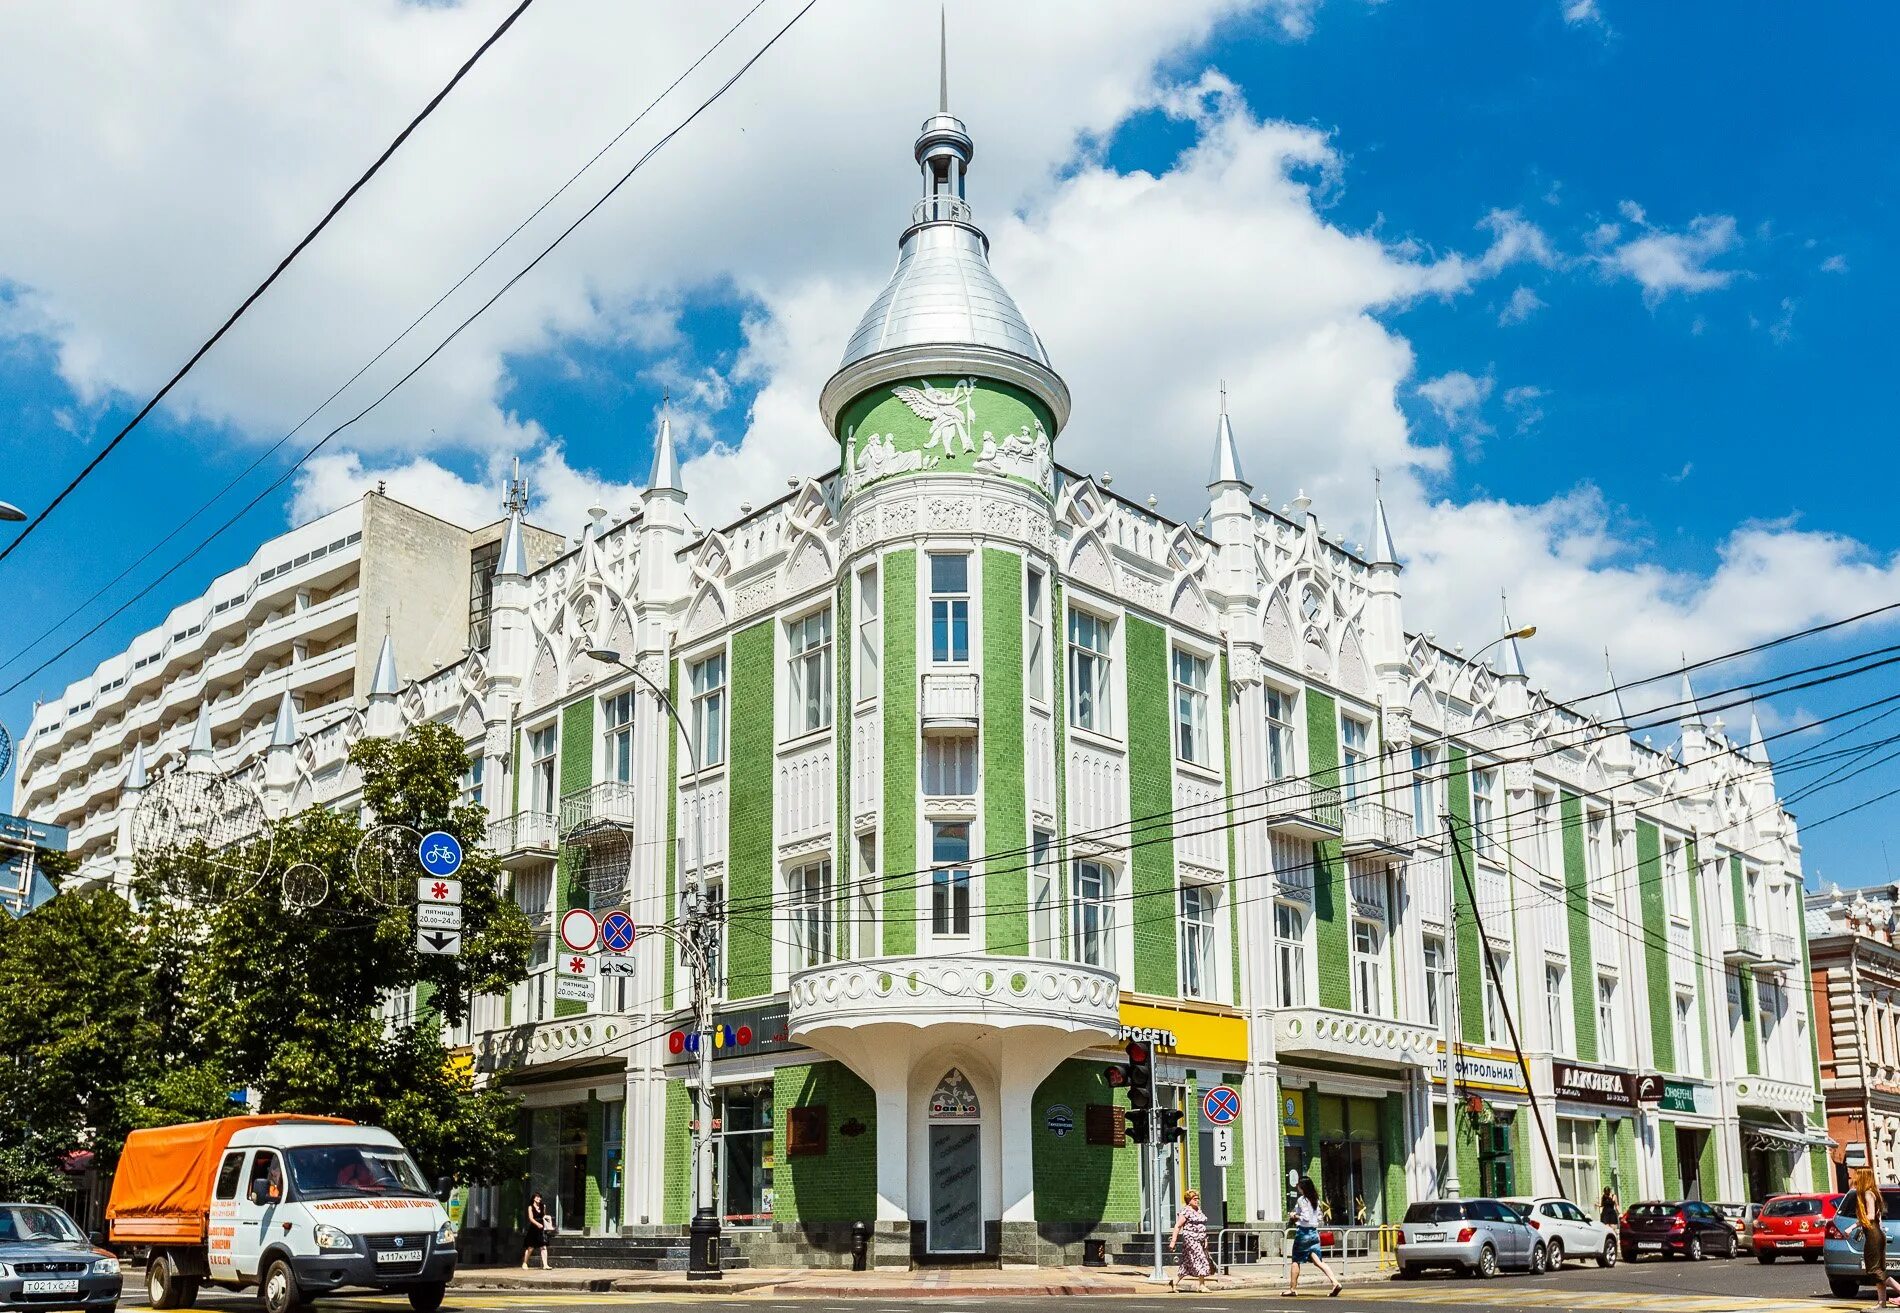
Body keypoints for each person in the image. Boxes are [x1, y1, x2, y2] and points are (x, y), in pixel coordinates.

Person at [1283, 1177, 1342, 1298]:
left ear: (1302, 1187)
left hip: (1303, 1234)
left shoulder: (1302, 1199)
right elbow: (1319, 1217)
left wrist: (1296, 1216)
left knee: (1295, 1261)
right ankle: (1335, 1282)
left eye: (1299, 1185)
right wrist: (1296, 1213)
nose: (1297, 1187)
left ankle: (1292, 1289)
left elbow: (1306, 1217)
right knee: (1318, 1262)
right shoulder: (1315, 1199)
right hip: (1314, 1233)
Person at [1854, 1168, 1900, 1307]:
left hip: (1873, 1235)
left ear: (1863, 1178)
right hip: (1877, 1234)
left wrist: (1852, 1226)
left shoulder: (1868, 1194)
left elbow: (1871, 1216)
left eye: (1858, 1176)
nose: (1855, 1179)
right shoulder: (1875, 1193)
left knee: (1874, 1269)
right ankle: (1882, 1303)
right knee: (1879, 1269)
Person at [1168, 1188, 1214, 1293]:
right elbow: (1178, 1226)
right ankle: (1201, 1285)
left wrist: (1205, 1240)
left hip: (1200, 1239)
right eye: (1194, 1199)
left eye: (1197, 1199)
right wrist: (1173, 1241)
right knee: (1201, 1259)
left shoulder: (1198, 1210)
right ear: (1189, 1200)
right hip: (1191, 1239)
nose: (1197, 1200)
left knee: (1187, 1263)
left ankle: (1174, 1282)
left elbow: (1202, 1226)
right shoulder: (1186, 1211)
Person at [522, 1191, 552, 1270]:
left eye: (540, 1197)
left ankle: (545, 1264)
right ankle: (525, 1262)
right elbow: (531, 1218)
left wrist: (548, 1219)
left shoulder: (543, 1206)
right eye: (537, 1197)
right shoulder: (530, 1207)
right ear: (534, 1198)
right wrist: (537, 1224)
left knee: (543, 1246)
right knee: (530, 1247)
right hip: (533, 1228)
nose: (539, 1199)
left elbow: (544, 1216)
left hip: (541, 1228)